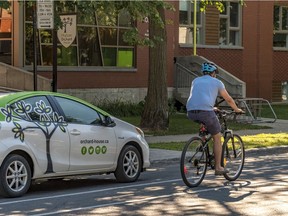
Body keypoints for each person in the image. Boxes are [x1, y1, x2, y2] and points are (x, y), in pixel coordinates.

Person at [186, 61, 243, 175]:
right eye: (215, 73)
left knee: (204, 124)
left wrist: (211, 108)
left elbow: (199, 98)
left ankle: (201, 143)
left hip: (190, 111)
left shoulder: (195, 81)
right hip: (206, 112)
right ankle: (218, 168)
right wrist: (237, 109)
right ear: (213, 73)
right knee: (217, 137)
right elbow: (229, 99)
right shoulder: (217, 82)